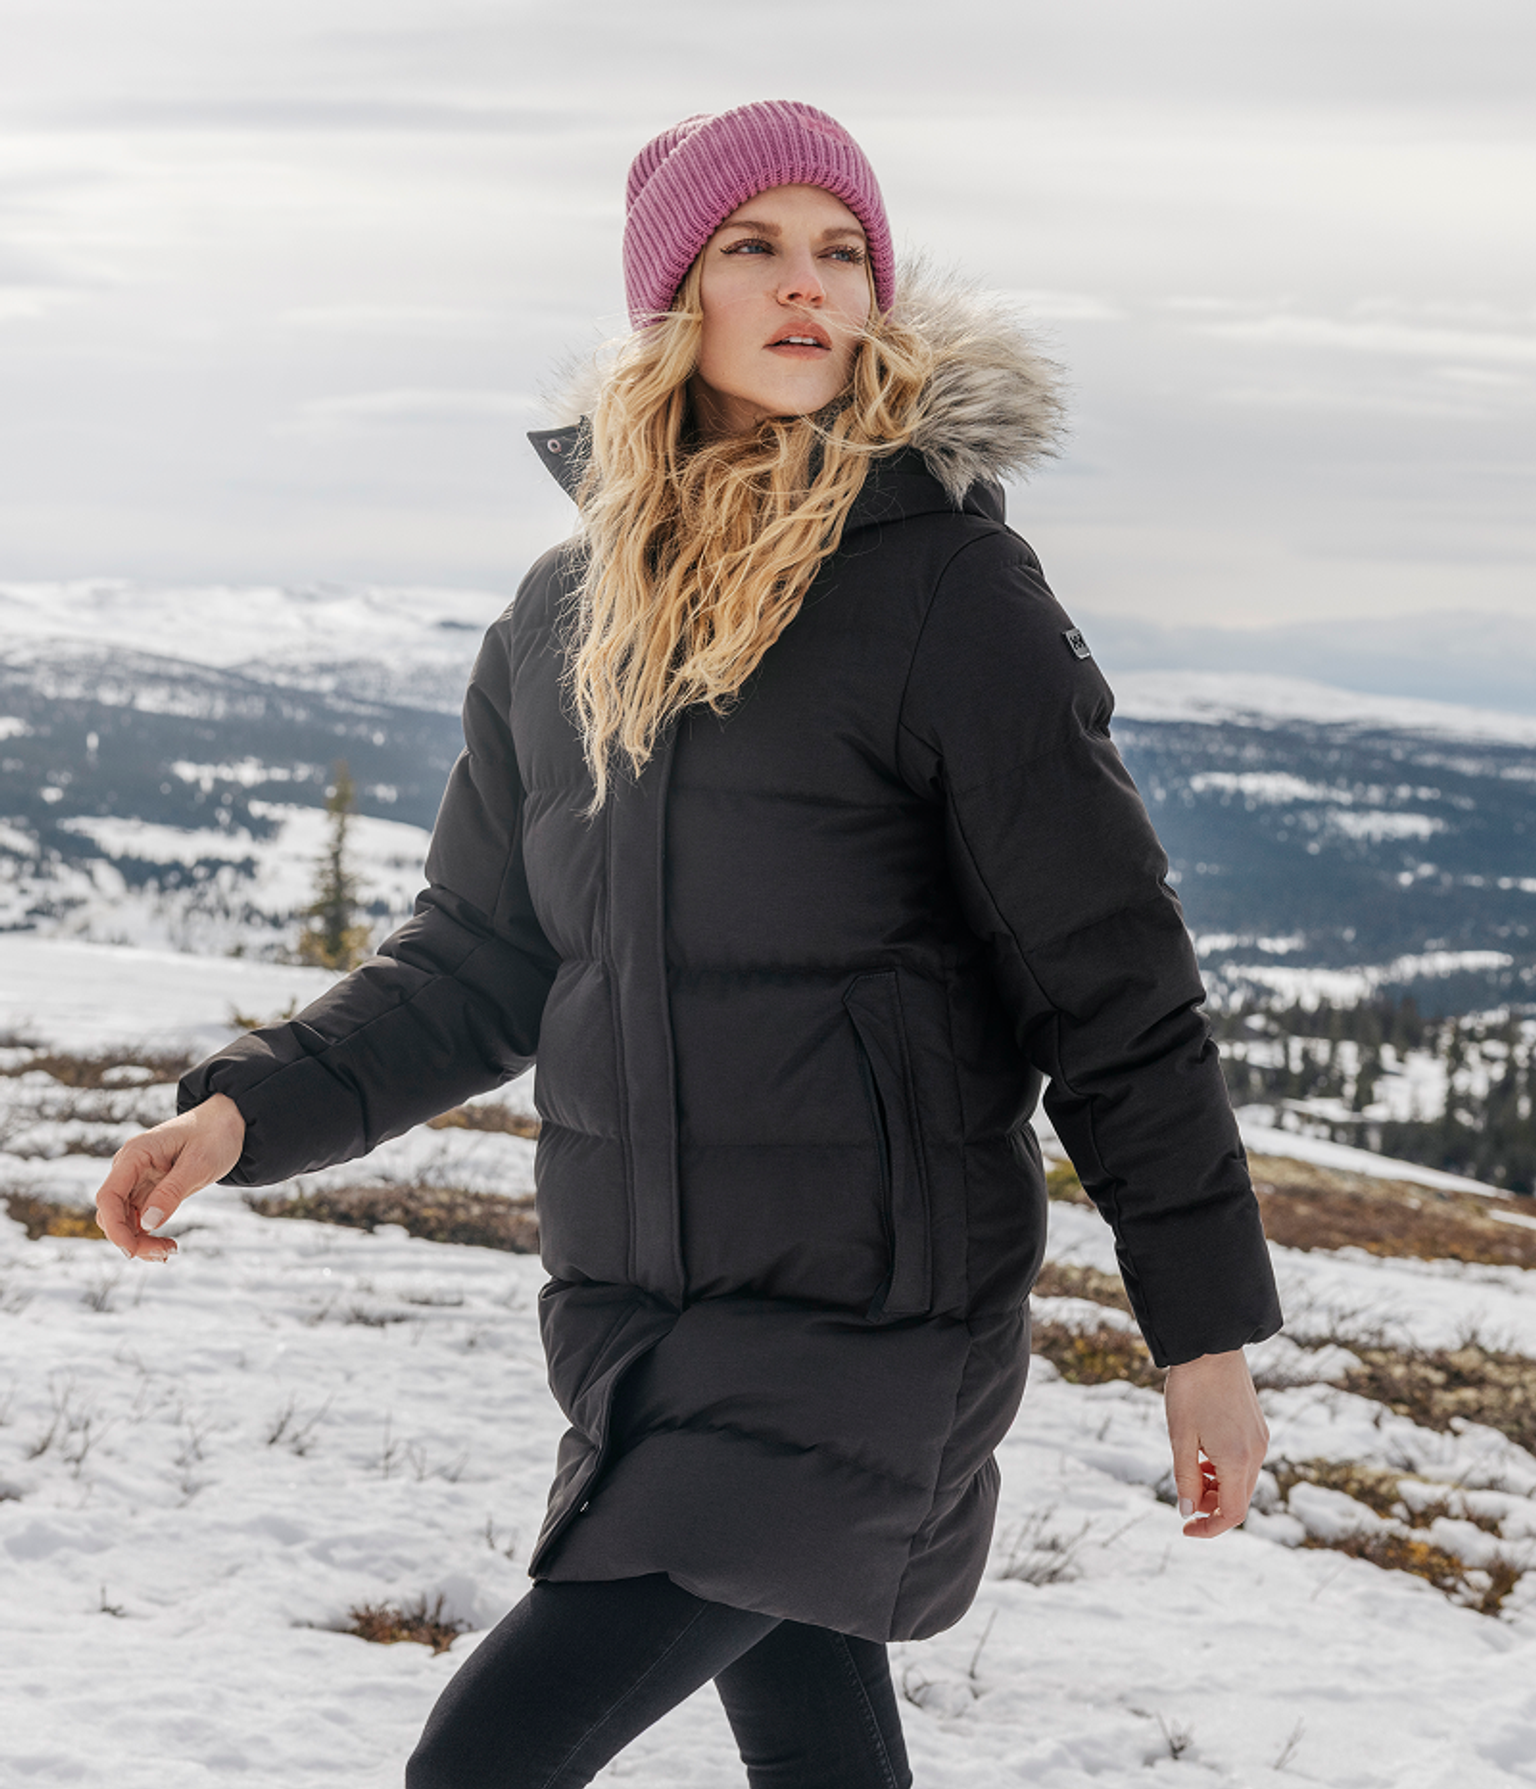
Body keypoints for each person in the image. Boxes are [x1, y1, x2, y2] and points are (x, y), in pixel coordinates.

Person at [95, 100, 1282, 1789]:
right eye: (755, 249)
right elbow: (482, 957)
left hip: (870, 1321)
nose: (809, 287)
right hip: (645, 1318)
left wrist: (1205, 1344)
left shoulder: (950, 592)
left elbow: (1114, 993)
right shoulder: (562, 620)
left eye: (842, 250)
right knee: (817, 1749)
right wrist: (247, 1110)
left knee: (482, 1762)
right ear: (677, 301)